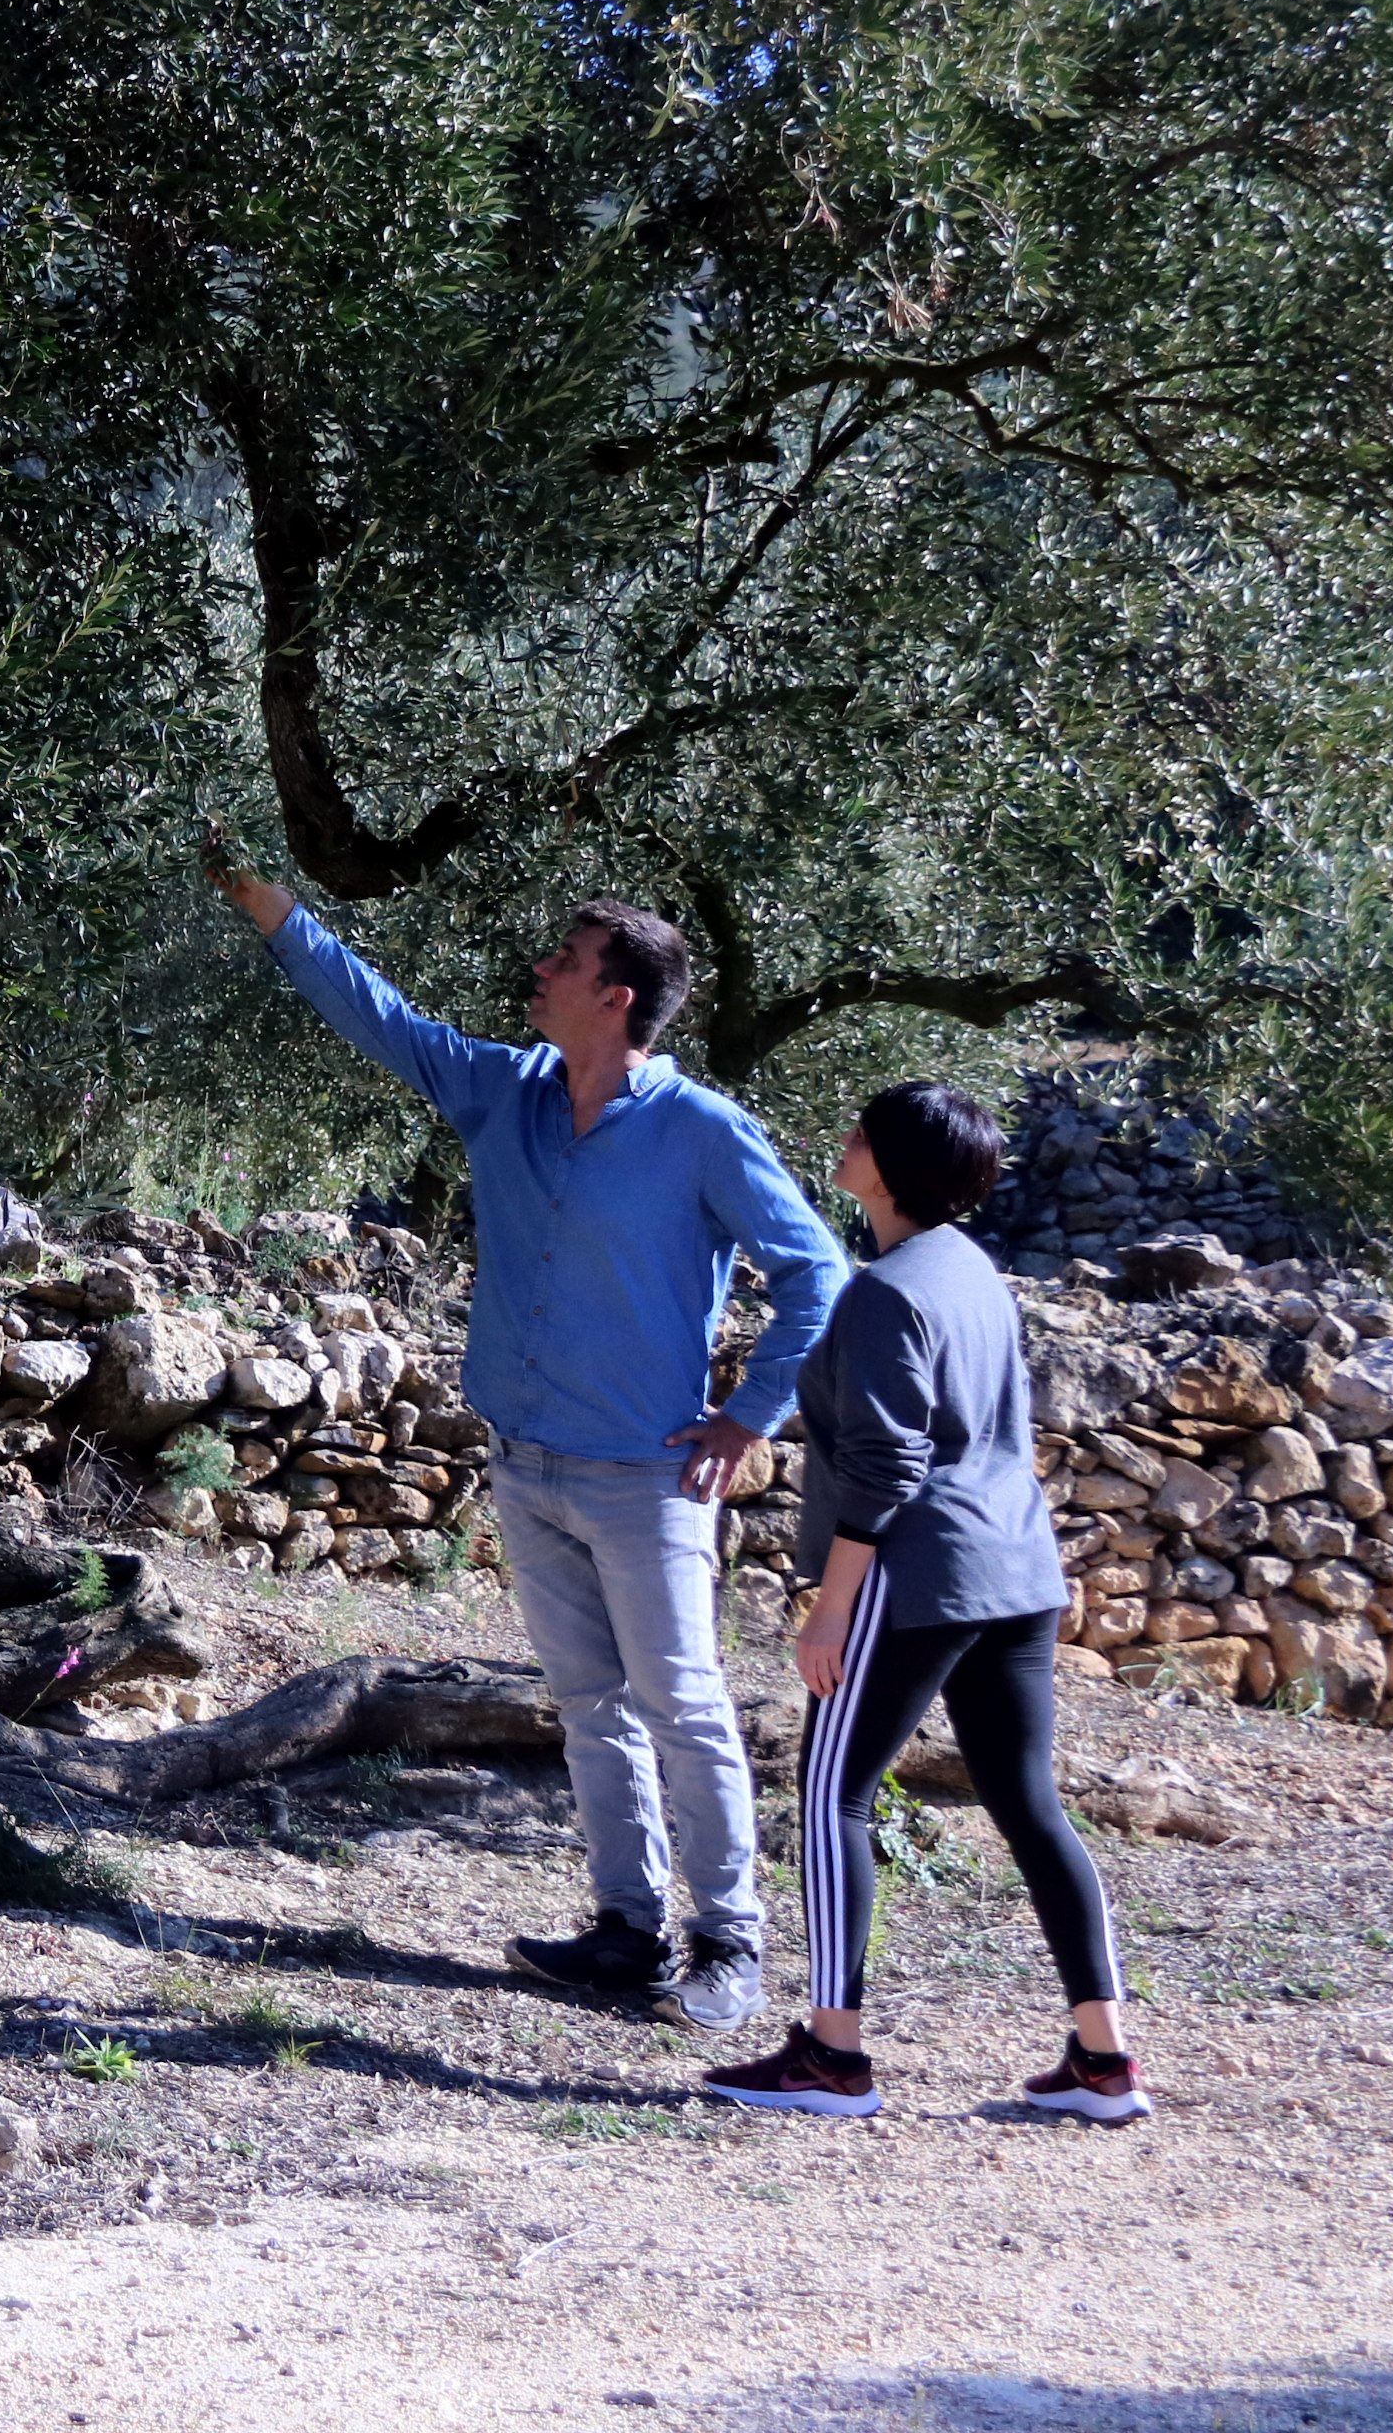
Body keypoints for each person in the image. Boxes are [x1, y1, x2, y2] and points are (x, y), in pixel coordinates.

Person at [209, 847, 847, 2028]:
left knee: (685, 1706)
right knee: (589, 1703)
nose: (540, 969)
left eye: (566, 958)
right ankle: (626, 1929)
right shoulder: (504, 1088)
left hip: (649, 1471)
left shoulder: (703, 1131)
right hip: (529, 1457)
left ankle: (729, 1944)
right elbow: (381, 1017)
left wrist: (749, 1413)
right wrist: (275, 914)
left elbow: (821, 1272)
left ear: (617, 996)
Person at [702, 1081, 1145, 2121]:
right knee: (1030, 1806)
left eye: (860, 1132)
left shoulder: (886, 1291)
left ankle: (832, 2054)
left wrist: (828, 1606)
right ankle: (1103, 2059)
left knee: (830, 1795)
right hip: (1017, 1572)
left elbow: (886, 1464)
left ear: (892, 1166)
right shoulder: (975, 1271)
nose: (843, 1140)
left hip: (919, 1576)